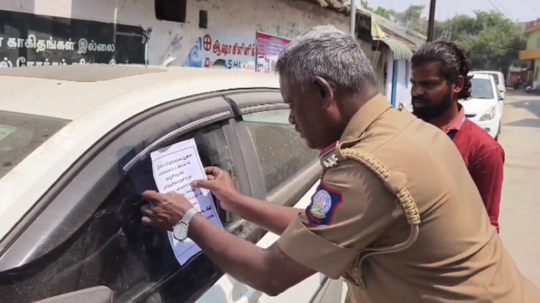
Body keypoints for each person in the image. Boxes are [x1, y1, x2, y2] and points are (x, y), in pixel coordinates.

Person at [140, 25, 540, 302]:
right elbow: (314, 222)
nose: (292, 119)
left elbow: (269, 274)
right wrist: (234, 201)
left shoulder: (367, 166)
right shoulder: (405, 130)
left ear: (322, 92)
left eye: (293, 105)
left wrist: (187, 220)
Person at [410, 41, 505, 233]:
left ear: (457, 85)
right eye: (414, 83)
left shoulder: (484, 150)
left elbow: (487, 224)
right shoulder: (400, 130)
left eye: (429, 84)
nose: (416, 92)